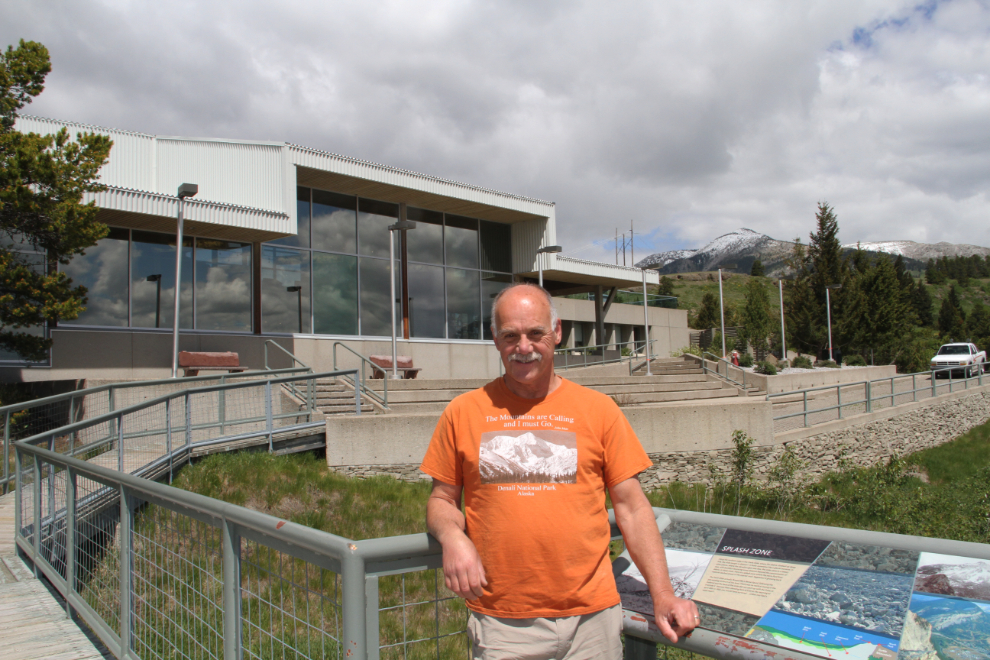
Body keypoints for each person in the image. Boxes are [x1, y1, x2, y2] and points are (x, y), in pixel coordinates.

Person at [421, 283, 698, 659]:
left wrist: (663, 594)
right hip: (504, 625)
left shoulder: (599, 410)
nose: (523, 347)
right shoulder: (463, 412)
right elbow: (441, 500)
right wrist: (453, 538)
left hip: (594, 622)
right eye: (510, 336)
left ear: (558, 332)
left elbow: (632, 507)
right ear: (495, 339)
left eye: (536, 333)